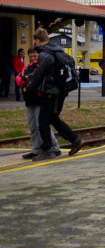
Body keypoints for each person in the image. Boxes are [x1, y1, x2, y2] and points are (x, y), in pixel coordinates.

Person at [23, 28, 84, 160]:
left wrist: (28, 87)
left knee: (43, 121)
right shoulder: (58, 50)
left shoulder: (45, 55)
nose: (35, 44)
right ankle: (75, 140)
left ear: (38, 40)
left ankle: (48, 150)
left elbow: (40, 74)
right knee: (52, 118)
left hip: (50, 91)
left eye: (35, 41)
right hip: (61, 90)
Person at [16, 48, 59, 159]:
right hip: (29, 100)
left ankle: (54, 147)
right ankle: (36, 148)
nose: (33, 58)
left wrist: (28, 80)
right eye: (31, 56)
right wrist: (25, 80)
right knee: (32, 126)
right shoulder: (27, 67)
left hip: (40, 99)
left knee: (42, 126)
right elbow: (19, 79)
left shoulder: (43, 67)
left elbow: (39, 80)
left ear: (39, 56)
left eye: (35, 56)